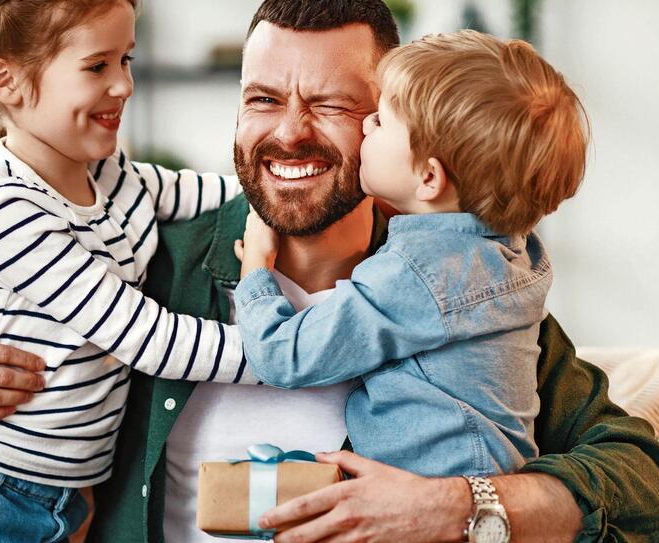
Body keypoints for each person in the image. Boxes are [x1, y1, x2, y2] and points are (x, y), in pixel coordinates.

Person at [0, 1, 659, 541]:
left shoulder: (464, 291)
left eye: (334, 105)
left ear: (400, 125)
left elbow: (641, 483)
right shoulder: (152, 263)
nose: (290, 133)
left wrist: (450, 507)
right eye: (263, 98)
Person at [0, 0, 260, 541]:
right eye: (97, 66)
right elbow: (148, 337)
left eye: (126, 59)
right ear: (7, 81)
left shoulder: (108, 174)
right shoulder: (8, 215)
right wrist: (280, 352)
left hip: (55, 506)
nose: (124, 84)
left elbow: (199, 193)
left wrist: (280, 188)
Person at [233, 29, 587, 480]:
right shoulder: (514, 256)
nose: (365, 125)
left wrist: (256, 269)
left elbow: (283, 356)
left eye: (380, 120)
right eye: (263, 99)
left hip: (431, 501)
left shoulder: (416, 274)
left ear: (428, 178)